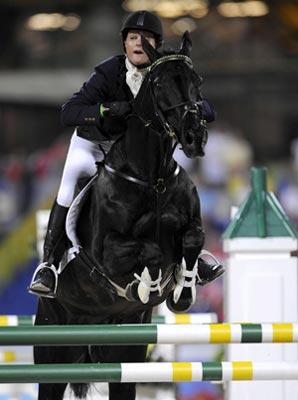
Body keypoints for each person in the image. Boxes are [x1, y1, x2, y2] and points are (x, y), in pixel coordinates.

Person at [29, 10, 224, 298]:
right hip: (96, 143)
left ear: (155, 45)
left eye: (145, 38)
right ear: (124, 44)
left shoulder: (165, 73)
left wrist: (191, 110)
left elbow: (205, 109)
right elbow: (68, 113)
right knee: (69, 184)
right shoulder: (109, 71)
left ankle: (193, 253)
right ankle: (49, 264)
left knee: (178, 178)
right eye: (133, 37)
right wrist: (104, 110)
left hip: (139, 152)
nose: (138, 42)